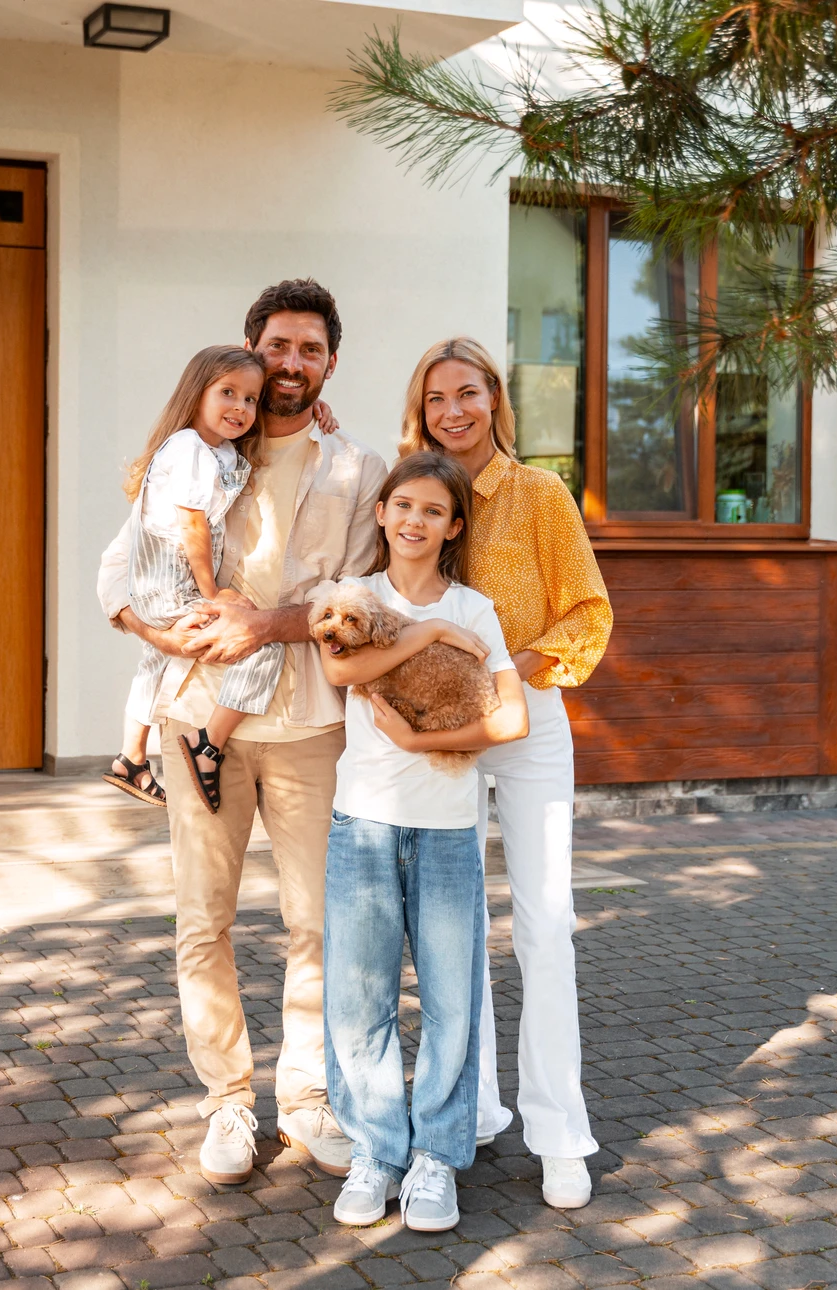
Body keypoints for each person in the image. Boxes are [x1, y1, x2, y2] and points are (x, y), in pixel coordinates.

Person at [97, 280, 387, 1185]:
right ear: (249, 351)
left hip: (307, 725)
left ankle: (306, 1099)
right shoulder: (200, 449)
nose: (290, 363)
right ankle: (227, 1102)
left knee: (318, 924)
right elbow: (124, 564)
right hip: (195, 717)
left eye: (308, 349)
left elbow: (362, 601)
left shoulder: (358, 468)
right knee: (202, 922)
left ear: (329, 361)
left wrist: (268, 625)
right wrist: (149, 631)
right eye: (276, 347)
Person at [398, 337, 611, 1209]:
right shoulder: (416, 497)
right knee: (453, 930)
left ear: (495, 399)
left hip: (527, 725)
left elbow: (587, 611)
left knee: (545, 924)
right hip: (441, 733)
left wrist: (509, 674)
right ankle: (471, 1108)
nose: (454, 410)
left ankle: (559, 1131)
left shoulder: (538, 494)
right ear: (421, 409)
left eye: (468, 393)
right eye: (436, 397)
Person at [316, 452, 529, 1232]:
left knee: (449, 1001)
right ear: (381, 513)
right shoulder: (349, 598)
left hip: (446, 829)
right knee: (359, 1000)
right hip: (362, 824)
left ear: (453, 526)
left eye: (432, 511)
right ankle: (376, 1151)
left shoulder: (477, 609)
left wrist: (416, 741)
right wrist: (428, 631)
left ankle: (436, 1158)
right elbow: (345, 671)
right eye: (401, 505)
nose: (413, 521)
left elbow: (511, 720)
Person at [102, 346, 277, 810]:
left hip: (155, 586)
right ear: (196, 393)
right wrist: (212, 594)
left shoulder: (214, 450)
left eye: (252, 400)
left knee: (152, 662)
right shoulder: (189, 450)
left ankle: (131, 757)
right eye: (227, 393)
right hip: (169, 584)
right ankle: (209, 744)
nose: (240, 408)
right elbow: (193, 526)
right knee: (265, 643)